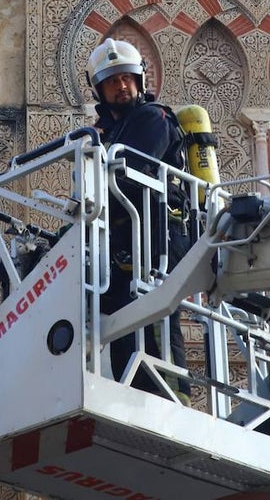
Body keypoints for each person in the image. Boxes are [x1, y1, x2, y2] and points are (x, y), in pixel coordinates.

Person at [86, 38, 192, 402]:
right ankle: (129, 393)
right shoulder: (106, 135)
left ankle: (173, 397)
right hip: (126, 240)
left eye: (126, 78)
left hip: (158, 234)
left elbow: (132, 175)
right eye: (112, 81)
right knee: (122, 317)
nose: (120, 86)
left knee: (157, 311)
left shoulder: (153, 118)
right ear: (100, 88)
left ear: (139, 80)